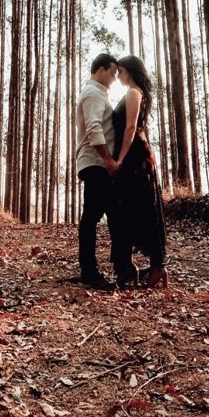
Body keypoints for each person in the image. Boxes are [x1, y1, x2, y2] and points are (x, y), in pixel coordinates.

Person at [109, 54, 167, 288]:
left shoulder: (133, 93)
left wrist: (120, 159)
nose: (118, 76)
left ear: (129, 71)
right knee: (130, 208)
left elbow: (131, 127)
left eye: (120, 71)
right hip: (136, 155)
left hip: (134, 157)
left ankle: (157, 266)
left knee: (141, 207)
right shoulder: (134, 92)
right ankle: (133, 266)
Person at [73, 52, 121, 290]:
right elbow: (93, 128)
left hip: (96, 163)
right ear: (100, 70)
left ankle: (116, 268)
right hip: (96, 163)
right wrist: (108, 160)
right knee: (91, 216)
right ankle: (89, 273)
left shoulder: (96, 93)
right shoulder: (92, 93)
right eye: (112, 72)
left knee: (107, 213)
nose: (114, 78)